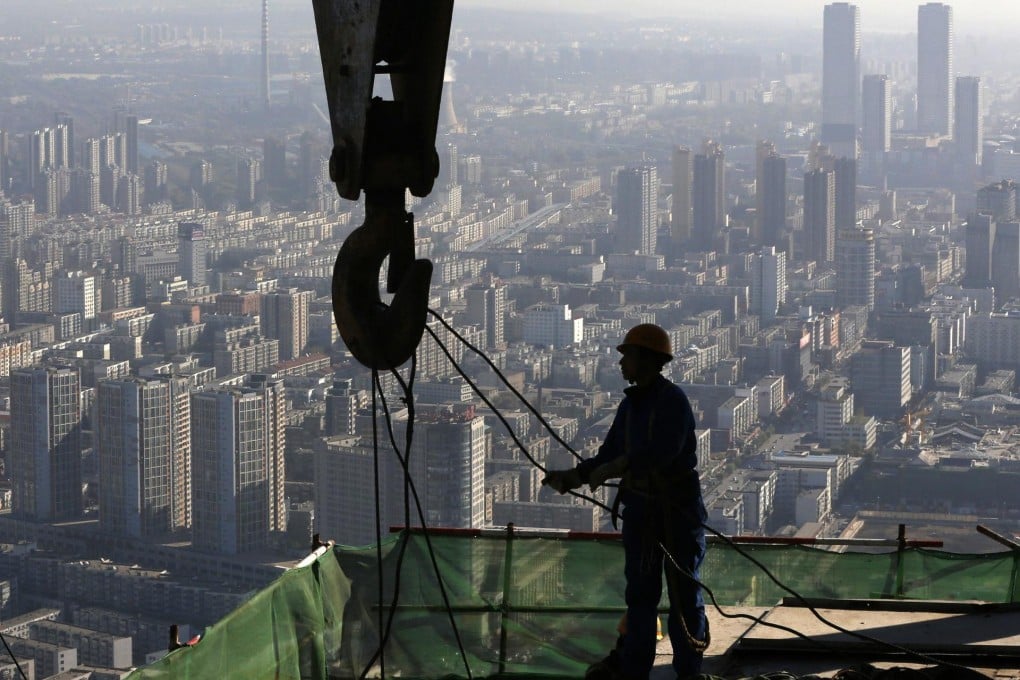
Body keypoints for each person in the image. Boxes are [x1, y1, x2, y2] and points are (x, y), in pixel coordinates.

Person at [542, 323, 709, 680]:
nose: (622, 365)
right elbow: (610, 453)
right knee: (641, 600)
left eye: (627, 357)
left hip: (675, 512)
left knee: (684, 597)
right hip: (643, 513)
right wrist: (576, 476)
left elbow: (664, 451)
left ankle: (689, 673)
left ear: (646, 360)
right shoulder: (630, 407)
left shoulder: (672, 402)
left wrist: (622, 465)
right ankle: (635, 672)